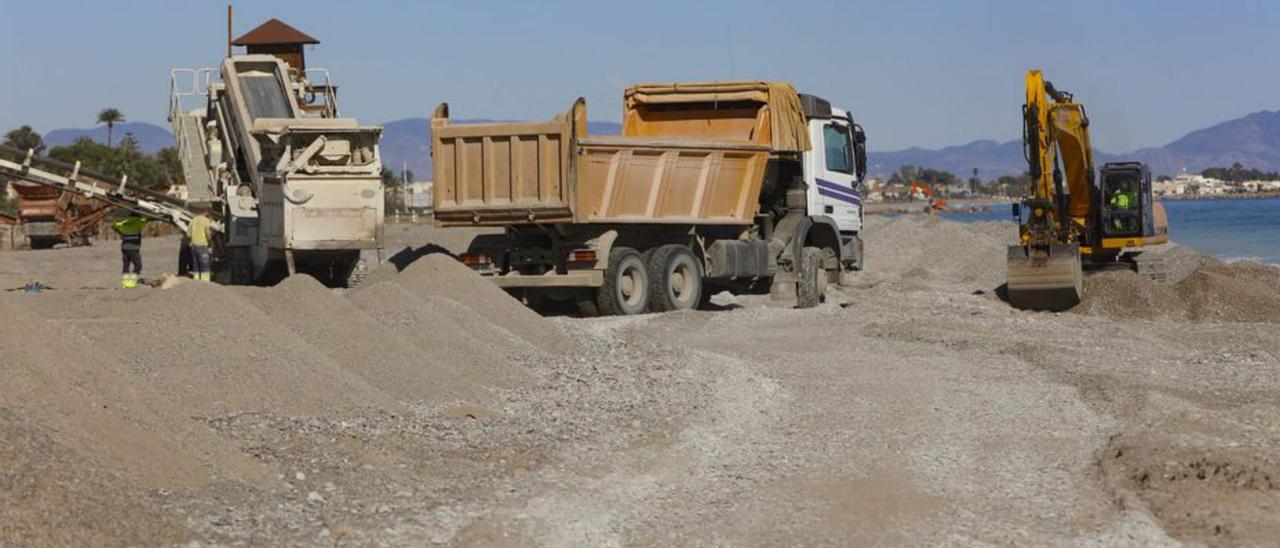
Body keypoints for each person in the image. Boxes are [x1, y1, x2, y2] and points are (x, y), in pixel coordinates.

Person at [111, 214, 148, 288]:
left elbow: (113, 226)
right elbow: (146, 220)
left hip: (124, 247)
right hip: (133, 247)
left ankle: (125, 283)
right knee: (138, 266)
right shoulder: (138, 221)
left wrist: (121, 233)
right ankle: (131, 282)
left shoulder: (124, 222)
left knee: (126, 265)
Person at [186, 208, 214, 282]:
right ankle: (205, 282)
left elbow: (188, 234)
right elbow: (208, 234)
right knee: (204, 265)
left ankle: (197, 281)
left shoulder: (193, 220)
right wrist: (210, 243)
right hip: (202, 245)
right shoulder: (206, 221)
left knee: (196, 265)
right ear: (207, 213)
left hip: (193, 246)